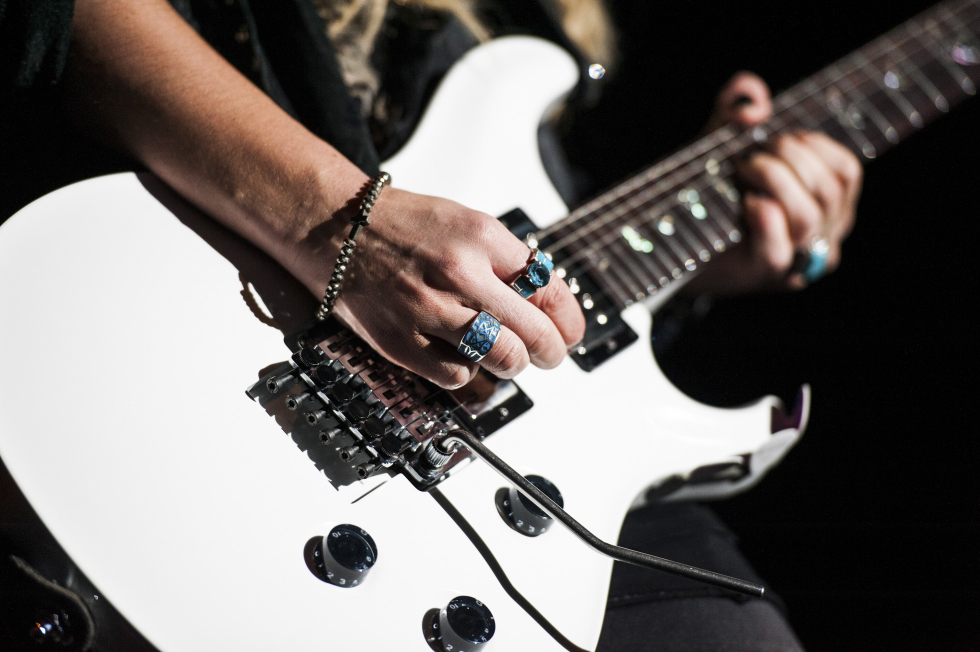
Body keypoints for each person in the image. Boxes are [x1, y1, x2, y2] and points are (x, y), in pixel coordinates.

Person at [0, 0, 862, 649]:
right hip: (175, 322)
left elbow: (522, 259)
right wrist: (342, 222)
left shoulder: (542, 25)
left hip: (499, 451)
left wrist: (693, 255)